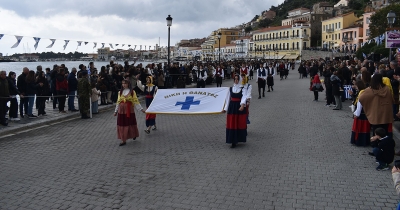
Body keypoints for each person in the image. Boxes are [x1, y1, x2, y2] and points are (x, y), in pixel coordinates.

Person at [359, 74, 394, 139]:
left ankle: (375, 142)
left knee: (376, 130)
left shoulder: (370, 90)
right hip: (386, 113)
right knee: (385, 129)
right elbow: (391, 99)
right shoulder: (387, 89)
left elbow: (361, 98)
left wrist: (370, 104)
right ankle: (384, 142)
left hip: (375, 113)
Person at [114, 79, 145, 146]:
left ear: (128, 84)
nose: (124, 85)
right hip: (121, 111)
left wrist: (141, 109)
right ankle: (123, 139)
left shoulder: (132, 92)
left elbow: (136, 101)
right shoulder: (120, 92)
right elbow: (118, 102)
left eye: (125, 83)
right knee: (122, 124)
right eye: (122, 83)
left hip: (129, 110)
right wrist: (115, 111)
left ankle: (133, 134)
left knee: (130, 123)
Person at [222, 74, 247, 148]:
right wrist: (225, 108)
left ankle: (238, 139)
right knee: (232, 123)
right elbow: (228, 99)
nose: (236, 81)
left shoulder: (243, 88)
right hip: (232, 108)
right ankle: (233, 141)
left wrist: (242, 105)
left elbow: (244, 97)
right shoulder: (230, 89)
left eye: (237, 79)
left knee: (239, 123)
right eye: (235, 79)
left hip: (239, 107)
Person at [351, 80, 370, 146]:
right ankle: (364, 141)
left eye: (356, 85)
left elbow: (359, 104)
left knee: (359, 127)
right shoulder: (364, 92)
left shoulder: (361, 93)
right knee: (364, 128)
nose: (355, 87)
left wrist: (356, 113)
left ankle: (359, 141)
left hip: (361, 113)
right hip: (364, 113)